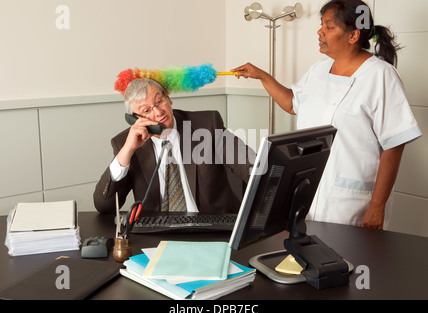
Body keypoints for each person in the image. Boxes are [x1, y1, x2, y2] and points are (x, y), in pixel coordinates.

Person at [232, 0, 422, 229]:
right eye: (321, 25)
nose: (319, 31)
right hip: (308, 194)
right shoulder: (319, 69)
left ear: (353, 36)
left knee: (352, 261)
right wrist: (262, 76)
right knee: (306, 256)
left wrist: (377, 205)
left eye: (329, 27)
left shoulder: (380, 76)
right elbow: (293, 103)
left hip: (351, 202)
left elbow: (394, 143)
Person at [94, 78, 255, 215]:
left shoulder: (207, 124)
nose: (158, 112)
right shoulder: (126, 143)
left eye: (159, 101)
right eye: (147, 110)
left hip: (211, 230)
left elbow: (249, 165)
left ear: (168, 98)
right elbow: (104, 206)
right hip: (158, 237)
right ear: (135, 119)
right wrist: (127, 151)